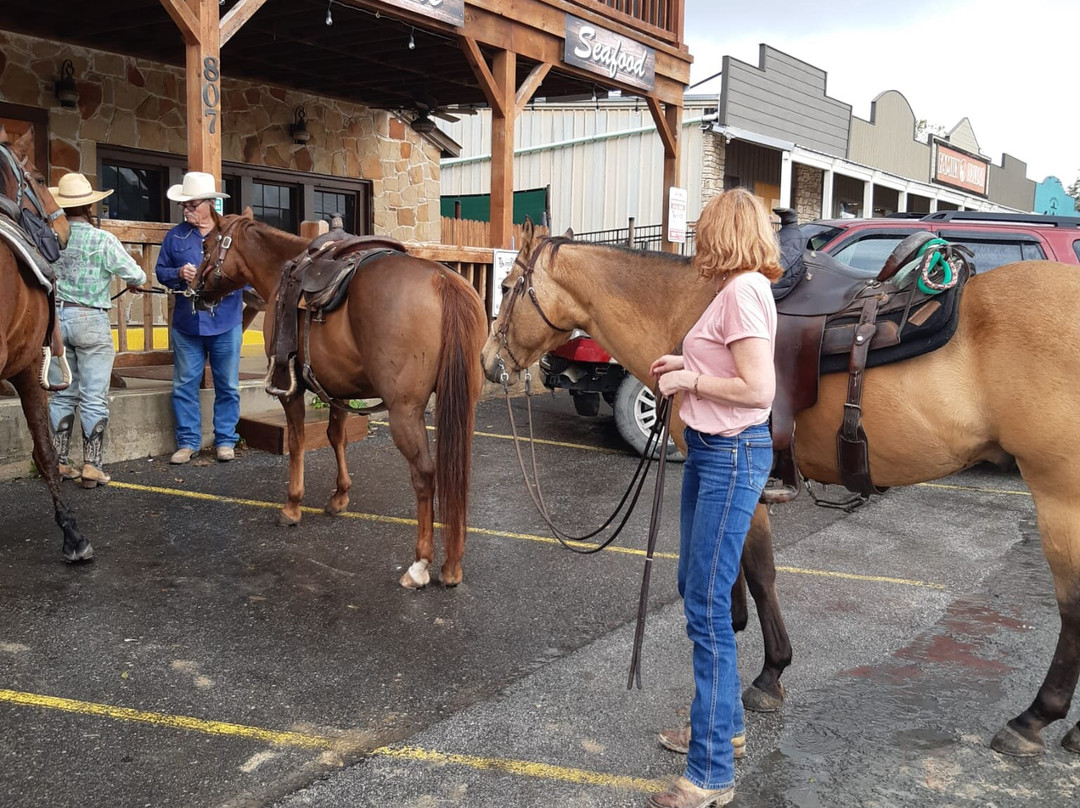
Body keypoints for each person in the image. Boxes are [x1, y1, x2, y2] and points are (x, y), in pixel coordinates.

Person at [647, 188, 782, 808]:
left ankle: (710, 776)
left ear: (723, 232)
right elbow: (730, 365)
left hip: (729, 454)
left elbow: (757, 389)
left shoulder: (744, 291)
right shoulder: (736, 291)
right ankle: (721, 730)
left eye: (705, 230)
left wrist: (689, 378)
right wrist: (684, 361)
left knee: (704, 603)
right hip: (712, 452)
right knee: (694, 586)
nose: (698, 239)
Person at [47, 173, 147, 489]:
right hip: (91, 320)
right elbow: (136, 273)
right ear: (90, 206)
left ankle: (59, 462)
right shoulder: (102, 240)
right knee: (94, 396)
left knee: (62, 394)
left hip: (55, 324)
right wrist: (135, 283)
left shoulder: (50, 238)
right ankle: (93, 465)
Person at [155, 171, 241, 464]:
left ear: (210, 204)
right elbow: (160, 272)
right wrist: (179, 274)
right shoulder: (175, 236)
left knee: (227, 384)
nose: (186, 210)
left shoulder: (232, 234)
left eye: (192, 204)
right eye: (185, 205)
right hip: (187, 322)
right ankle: (187, 442)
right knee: (184, 384)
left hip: (225, 319)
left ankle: (226, 440)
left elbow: (249, 275)